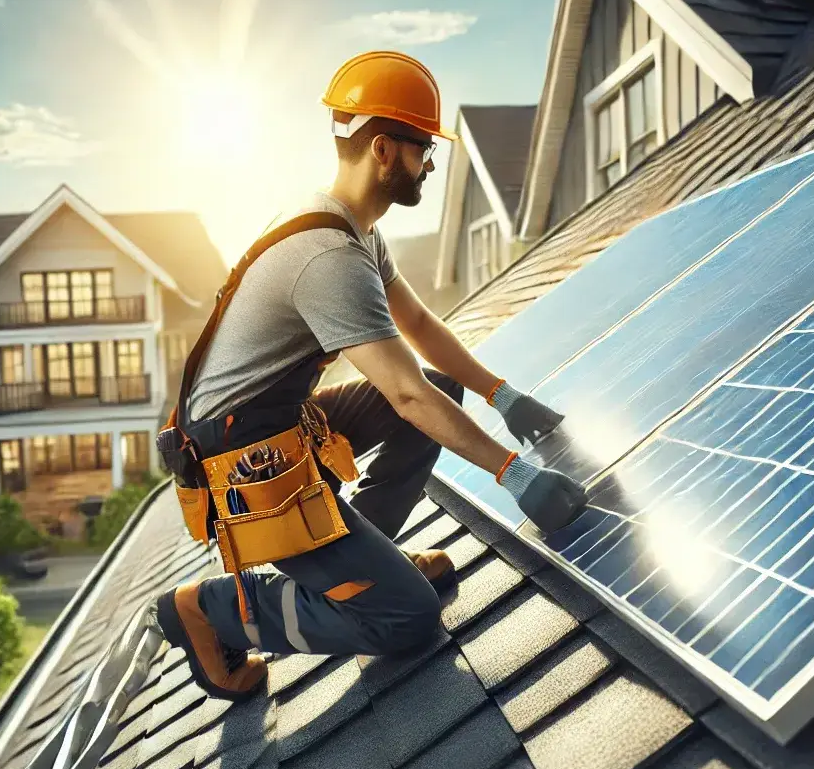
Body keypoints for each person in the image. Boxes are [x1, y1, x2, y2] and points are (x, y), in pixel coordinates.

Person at [152, 50, 586, 701]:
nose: (431, 163)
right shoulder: (327, 255)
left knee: (443, 391)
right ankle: (210, 611)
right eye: (422, 148)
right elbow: (404, 394)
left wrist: (504, 396)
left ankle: (371, 558)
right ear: (384, 150)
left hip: (284, 425)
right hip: (241, 460)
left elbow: (418, 327)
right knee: (407, 617)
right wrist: (513, 473)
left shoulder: (350, 227)